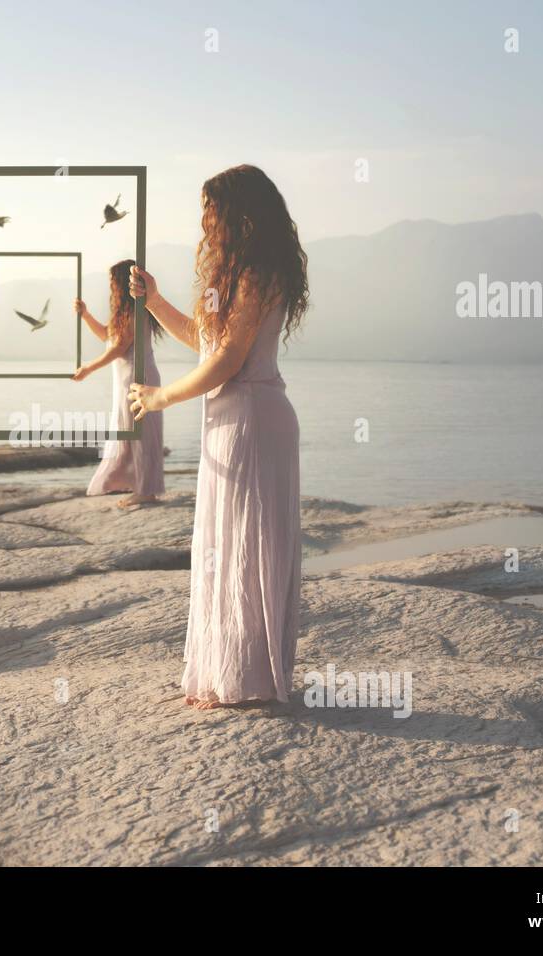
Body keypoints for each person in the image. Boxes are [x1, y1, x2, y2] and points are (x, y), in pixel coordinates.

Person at [126, 165, 308, 708]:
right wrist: (155, 300)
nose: (205, 220)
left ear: (238, 215)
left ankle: (248, 679)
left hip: (252, 420)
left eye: (211, 209)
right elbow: (208, 342)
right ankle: (232, 672)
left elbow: (228, 361)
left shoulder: (257, 274)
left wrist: (160, 398)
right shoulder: (238, 275)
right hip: (232, 422)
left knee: (245, 546)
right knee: (224, 545)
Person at [73, 258, 165, 507]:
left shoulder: (138, 309)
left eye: (113, 281)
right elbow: (108, 335)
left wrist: (88, 369)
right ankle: (139, 486)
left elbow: (118, 348)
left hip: (138, 378)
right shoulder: (127, 312)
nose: (111, 286)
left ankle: (146, 491)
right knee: (130, 434)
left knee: (140, 435)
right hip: (126, 380)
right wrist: (85, 315)